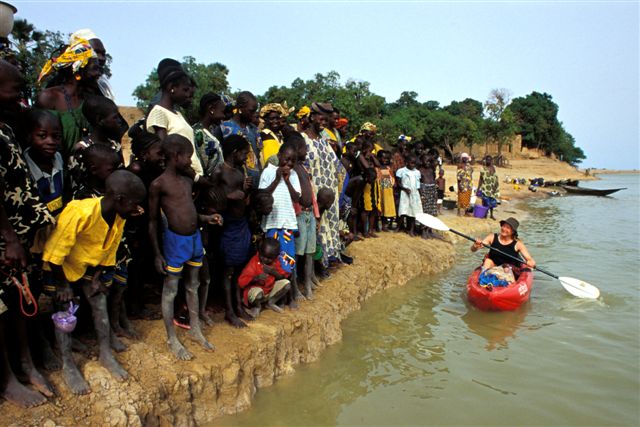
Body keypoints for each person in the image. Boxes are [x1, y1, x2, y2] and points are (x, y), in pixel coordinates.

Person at [42, 170, 146, 395]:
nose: (138, 209)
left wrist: (98, 277)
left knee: (99, 301)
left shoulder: (119, 215)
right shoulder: (80, 213)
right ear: (119, 199)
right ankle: (68, 363)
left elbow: (110, 247)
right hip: (60, 267)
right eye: (135, 204)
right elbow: (54, 252)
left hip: (89, 264)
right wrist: (63, 286)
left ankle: (105, 352)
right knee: (64, 312)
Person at [0, 60, 56, 407]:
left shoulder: (5, 127)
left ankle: (26, 364)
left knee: (21, 300)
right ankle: (7, 379)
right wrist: (9, 238)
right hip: (7, 239)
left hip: (18, 238)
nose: (21, 96)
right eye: (14, 89)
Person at [148, 135, 219, 360]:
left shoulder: (188, 181)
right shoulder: (158, 184)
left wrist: (206, 218)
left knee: (193, 285)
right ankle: (172, 338)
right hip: (174, 241)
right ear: (176, 156)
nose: (190, 161)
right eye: (188, 156)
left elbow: (188, 212)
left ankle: (195, 328)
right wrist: (158, 254)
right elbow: (152, 221)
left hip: (193, 239)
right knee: (171, 290)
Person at [212, 135, 253, 328]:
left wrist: (245, 190)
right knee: (228, 270)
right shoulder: (219, 171)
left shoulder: (238, 172)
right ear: (234, 152)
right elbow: (210, 198)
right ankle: (229, 311)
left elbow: (244, 199)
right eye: (244, 154)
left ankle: (237, 306)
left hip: (240, 223)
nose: (246, 158)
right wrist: (228, 197)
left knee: (238, 269)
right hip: (227, 225)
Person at [35, 38, 101, 158]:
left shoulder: (90, 100)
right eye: (94, 68)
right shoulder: (49, 98)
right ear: (78, 71)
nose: (99, 74)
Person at [258, 142, 302, 304]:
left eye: (292, 161)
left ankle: (287, 296)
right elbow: (262, 194)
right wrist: (277, 178)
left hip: (288, 224)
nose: (289, 164)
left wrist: (287, 180)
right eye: (286, 159)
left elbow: (297, 198)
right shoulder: (268, 171)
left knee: (288, 261)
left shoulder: (294, 175)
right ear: (279, 156)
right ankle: (270, 295)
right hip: (271, 224)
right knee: (271, 260)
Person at [145, 58, 203, 180]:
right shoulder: (158, 112)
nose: (188, 94)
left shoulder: (177, 113)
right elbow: (167, 152)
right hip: (181, 178)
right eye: (185, 90)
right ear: (172, 88)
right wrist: (195, 177)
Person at [303, 103, 342, 267]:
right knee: (317, 228)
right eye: (321, 118)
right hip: (313, 194)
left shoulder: (325, 142)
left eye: (327, 120)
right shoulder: (302, 139)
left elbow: (338, 168)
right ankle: (319, 264)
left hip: (330, 194)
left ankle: (331, 257)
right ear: (312, 117)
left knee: (330, 224)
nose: (324, 122)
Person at [289, 133, 318, 300]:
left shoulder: (303, 167)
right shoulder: (293, 169)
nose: (306, 152)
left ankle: (307, 285)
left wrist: (316, 213)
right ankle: (295, 288)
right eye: (304, 149)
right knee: (297, 254)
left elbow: (311, 194)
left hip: (309, 214)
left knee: (309, 252)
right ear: (296, 149)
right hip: (299, 215)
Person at [237, 238, 291, 318]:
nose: (265, 259)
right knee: (258, 294)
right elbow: (241, 282)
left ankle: (270, 303)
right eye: (263, 256)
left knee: (287, 284)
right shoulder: (254, 262)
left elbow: (284, 276)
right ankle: (257, 306)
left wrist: (274, 272)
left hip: (269, 291)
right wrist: (256, 278)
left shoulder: (275, 262)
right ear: (259, 252)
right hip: (256, 292)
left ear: (275, 257)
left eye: (269, 258)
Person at [219, 91, 262, 182]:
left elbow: (258, 156)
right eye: (251, 111)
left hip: (255, 181)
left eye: (255, 111)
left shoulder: (254, 129)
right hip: (233, 181)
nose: (254, 114)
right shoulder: (224, 128)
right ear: (240, 108)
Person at [471, 217, 536, 271]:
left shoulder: (518, 244)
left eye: (508, 228)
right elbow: (473, 250)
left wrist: (531, 263)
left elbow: (530, 260)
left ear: (513, 231)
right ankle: (483, 279)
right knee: (487, 261)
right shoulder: (492, 237)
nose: (504, 229)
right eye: (504, 226)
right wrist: (475, 245)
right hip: (494, 265)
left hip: (510, 268)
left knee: (506, 269)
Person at [193, 92, 225, 176]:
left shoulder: (209, 131)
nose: (224, 116)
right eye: (222, 112)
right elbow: (203, 166)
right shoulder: (198, 134)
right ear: (211, 109)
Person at [396, 155, 423, 236]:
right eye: (411, 163)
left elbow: (418, 185)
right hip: (404, 194)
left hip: (414, 194)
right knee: (403, 211)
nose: (413, 165)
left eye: (414, 163)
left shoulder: (417, 172)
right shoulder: (401, 171)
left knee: (412, 212)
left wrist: (421, 195)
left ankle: (411, 229)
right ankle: (399, 227)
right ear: (406, 162)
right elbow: (398, 183)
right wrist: (404, 189)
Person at [477, 155, 500, 220]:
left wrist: (496, 187)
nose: (488, 161)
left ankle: (491, 215)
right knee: (485, 202)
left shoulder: (494, 168)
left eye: (489, 160)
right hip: (485, 188)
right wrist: (478, 188)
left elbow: (496, 178)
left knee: (492, 202)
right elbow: (481, 179)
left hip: (492, 188)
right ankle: (485, 214)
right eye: (487, 160)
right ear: (485, 160)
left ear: (491, 161)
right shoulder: (483, 169)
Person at [456, 152, 473, 217]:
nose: (465, 159)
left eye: (466, 158)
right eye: (464, 158)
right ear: (461, 158)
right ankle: (458, 212)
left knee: (467, 199)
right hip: (462, 185)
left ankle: (466, 212)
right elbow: (458, 176)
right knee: (460, 199)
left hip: (469, 185)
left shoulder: (469, 166)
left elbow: (471, 173)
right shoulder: (460, 166)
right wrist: (459, 185)